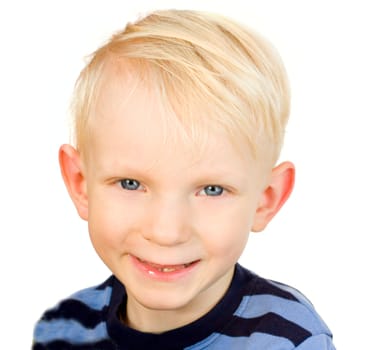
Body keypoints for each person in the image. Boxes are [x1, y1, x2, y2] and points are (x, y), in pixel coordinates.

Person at [32, 9, 335, 349]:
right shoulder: (64, 328)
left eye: (212, 190)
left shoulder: (287, 339)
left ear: (266, 199)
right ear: (79, 184)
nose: (166, 232)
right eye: (130, 183)